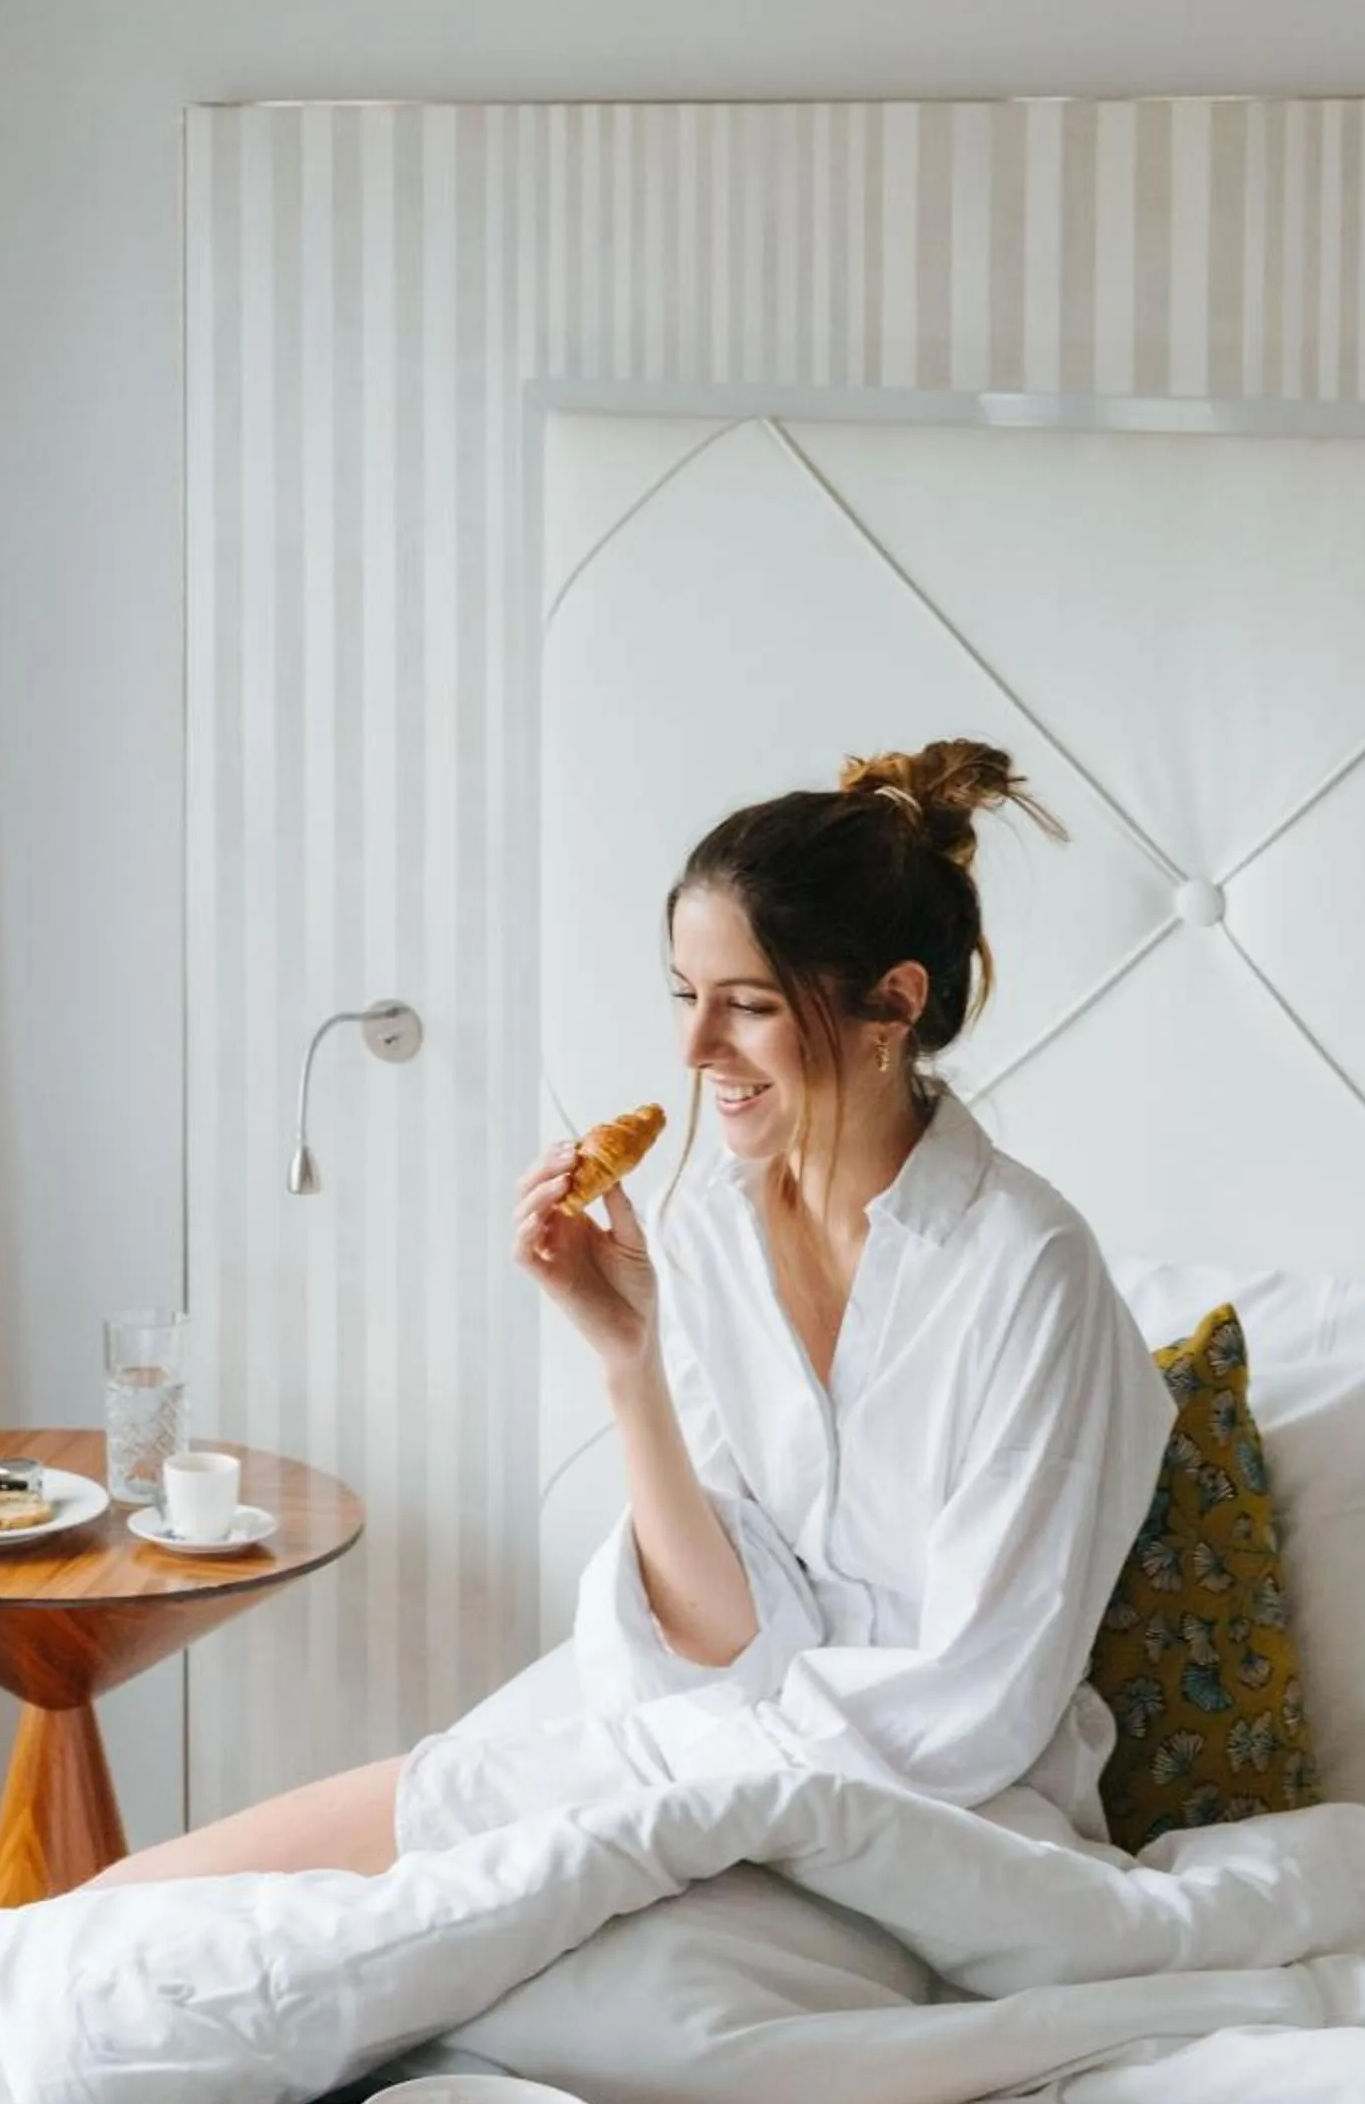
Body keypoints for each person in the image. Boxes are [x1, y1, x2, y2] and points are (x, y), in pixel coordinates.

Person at [94, 739, 1174, 1890]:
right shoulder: (705, 1220)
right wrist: (628, 1362)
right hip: (703, 1751)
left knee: (551, 1974)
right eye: (683, 995)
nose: (693, 1048)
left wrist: (681, 1781)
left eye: (746, 1006)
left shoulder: (1027, 1270)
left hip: (938, 1821)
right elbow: (716, 1634)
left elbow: (979, 1704)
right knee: (243, 1894)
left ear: (891, 1006)